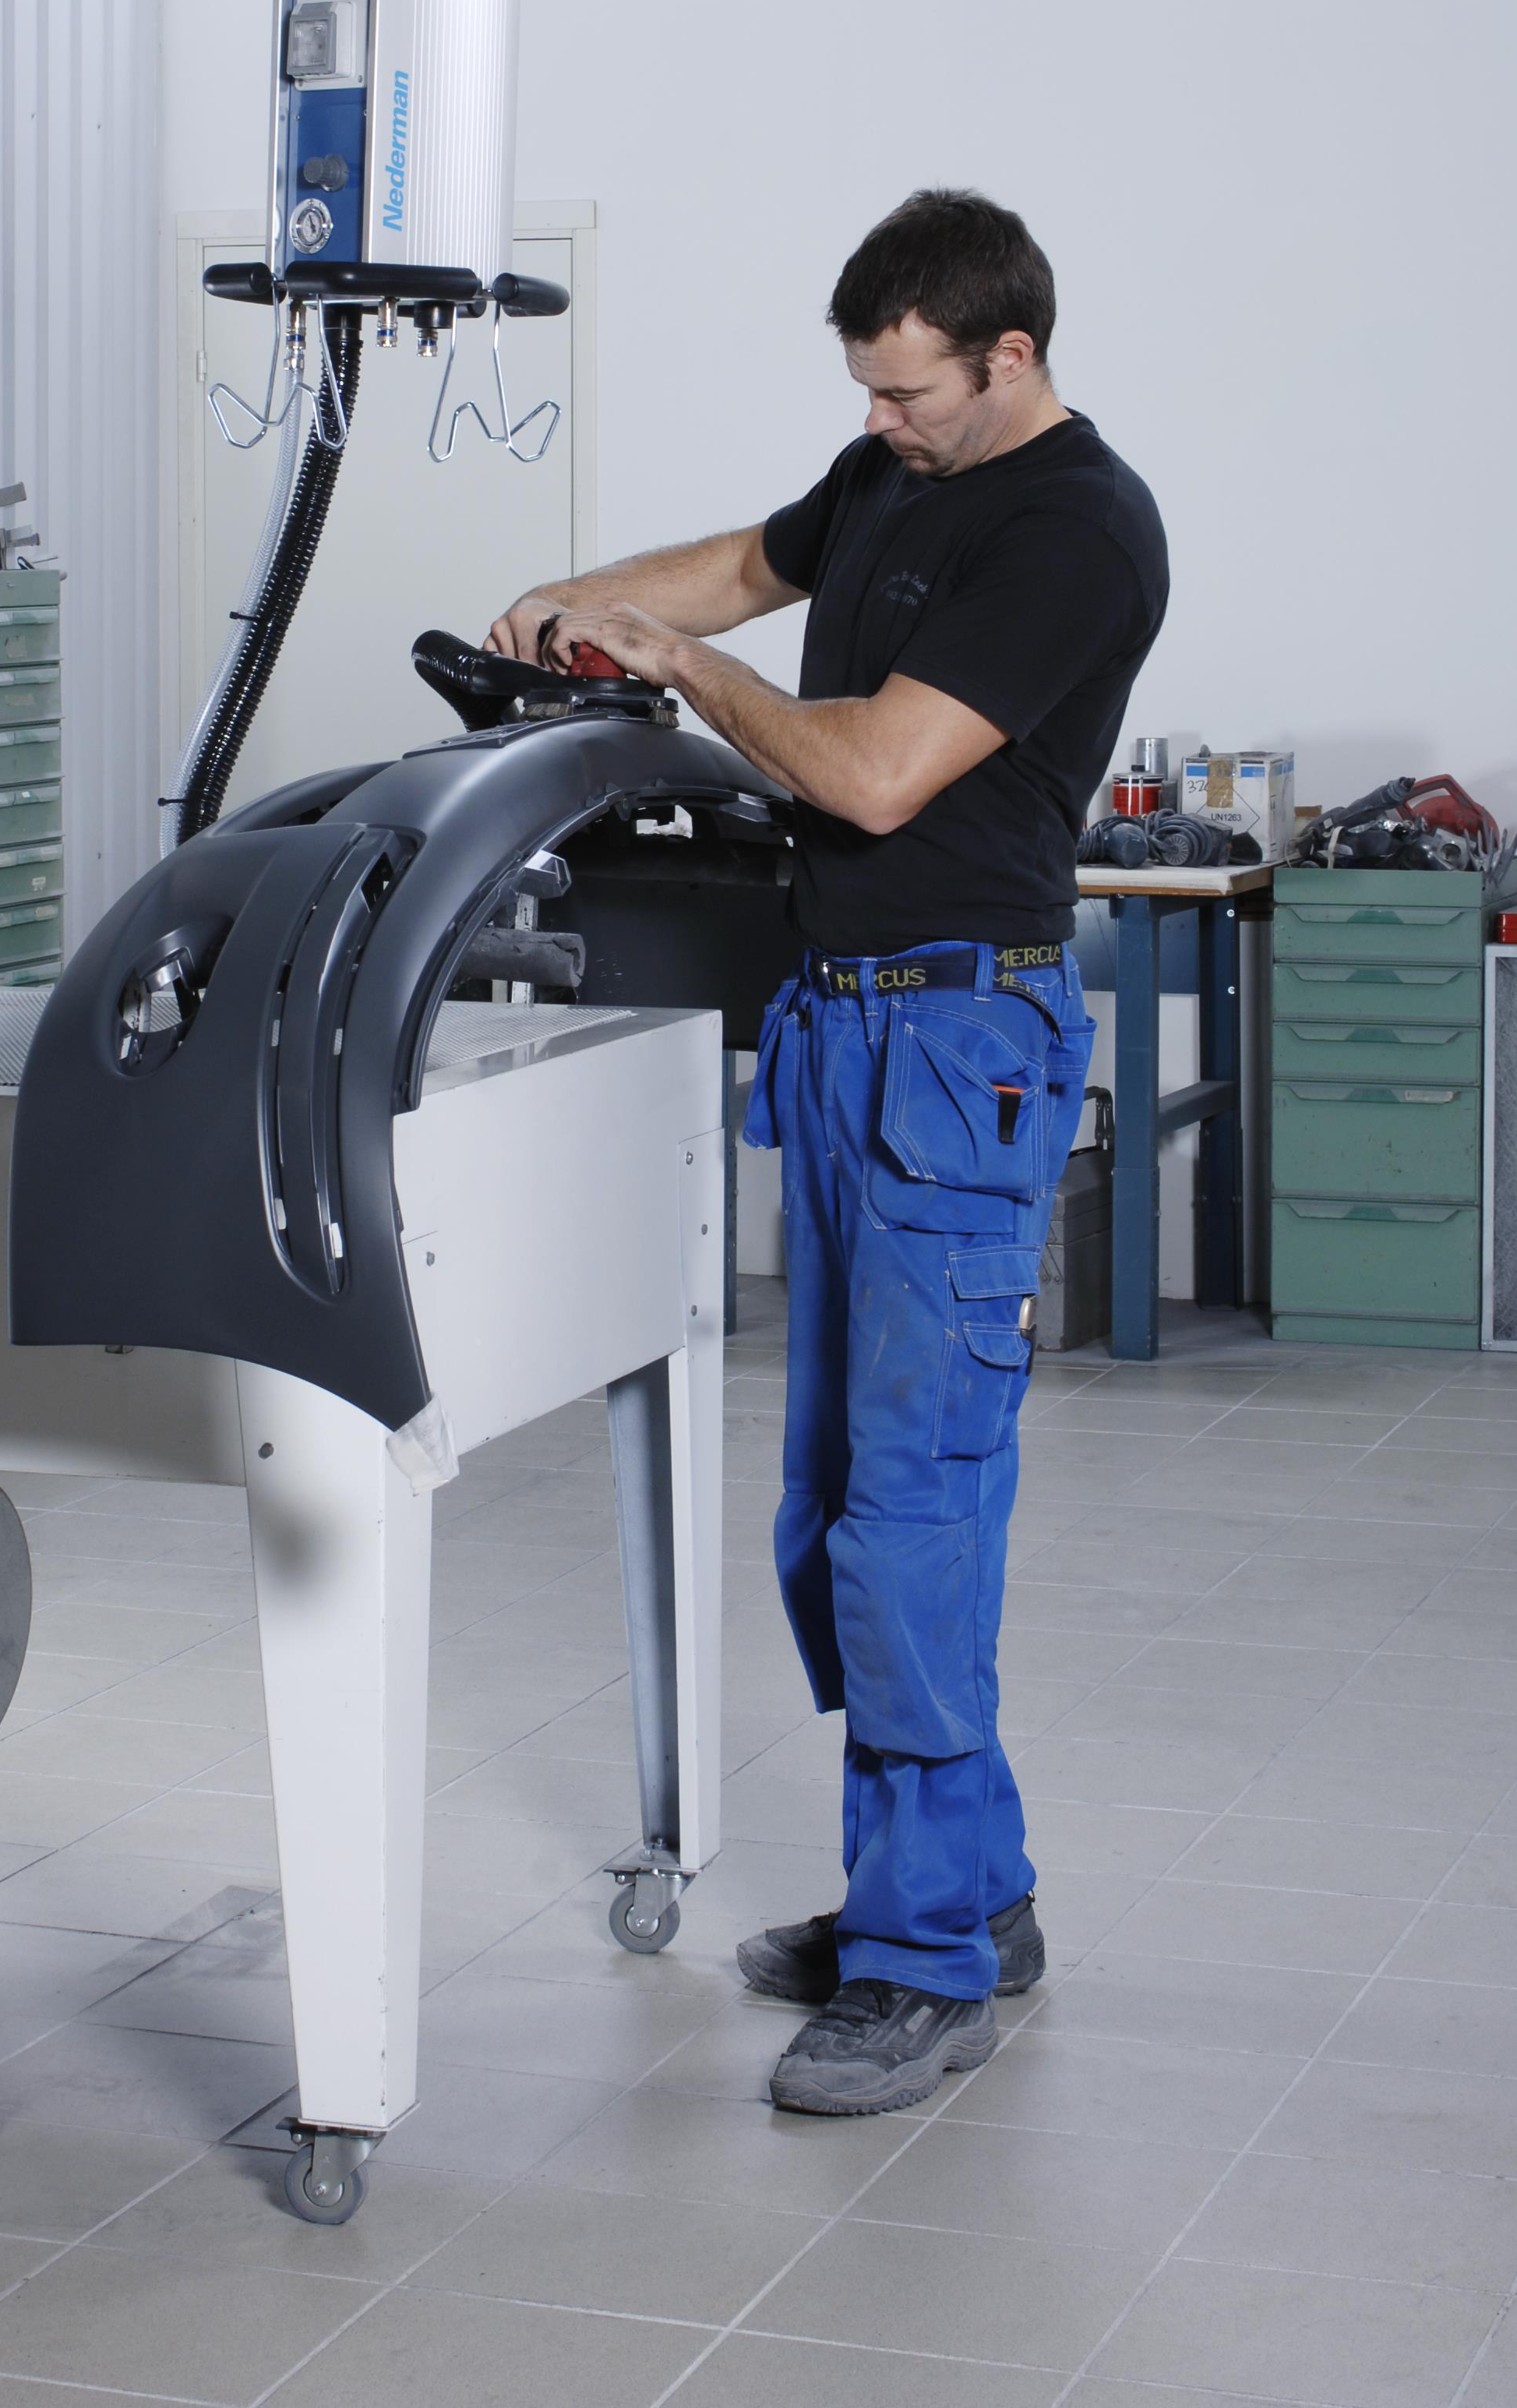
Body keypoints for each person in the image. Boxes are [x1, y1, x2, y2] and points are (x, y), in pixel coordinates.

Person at [489, 188, 1168, 2116]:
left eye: (905, 391)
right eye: (862, 389)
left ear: (1008, 355)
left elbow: (868, 770)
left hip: (961, 1041)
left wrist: (681, 669)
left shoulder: (1076, 526)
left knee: (911, 1519)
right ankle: (960, 1891)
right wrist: (573, 603)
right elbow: (742, 562)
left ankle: (924, 1962)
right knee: (836, 1513)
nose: (875, 421)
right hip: (846, 1028)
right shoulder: (893, 470)